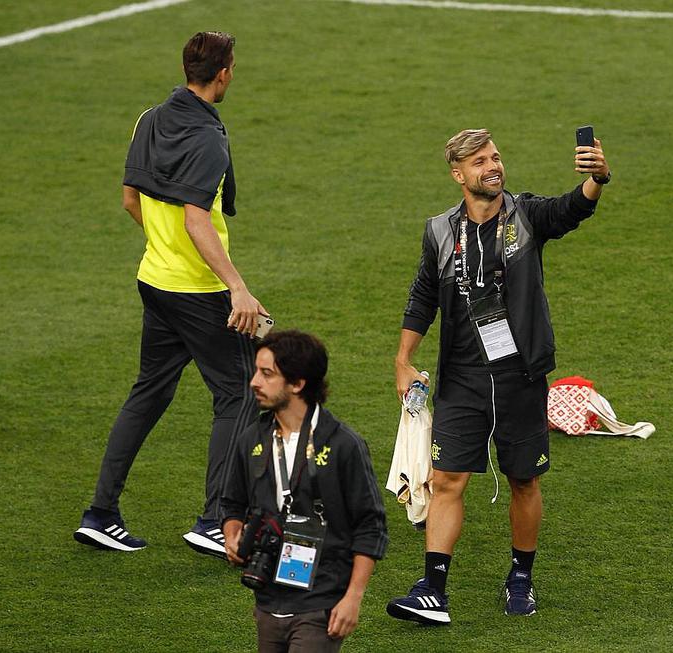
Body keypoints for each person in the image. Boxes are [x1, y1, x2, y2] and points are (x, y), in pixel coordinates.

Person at [386, 129, 612, 623]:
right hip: (463, 377)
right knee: (447, 480)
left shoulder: (526, 216)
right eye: (480, 161)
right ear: (458, 174)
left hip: (519, 375)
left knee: (523, 480)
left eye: (495, 157)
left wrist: (597, 178)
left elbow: (572, 209)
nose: (493, 166)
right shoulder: (441, 231)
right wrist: (404, 358)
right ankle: (433, 588)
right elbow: (423, 294)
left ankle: (521, 577)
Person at [74, 31, 268, 557]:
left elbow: (129, 199)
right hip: (199, 292)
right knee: (239, 392)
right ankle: (214, 521)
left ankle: (101, 512)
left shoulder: (150, 117)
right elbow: (196, 218)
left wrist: (162, 248)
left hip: (154, 281)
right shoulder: (209, 138)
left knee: (149, 392)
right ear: (223, 72)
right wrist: (238, 288)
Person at [221, 330, 388, 652]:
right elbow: (231, 503)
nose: (254, 381)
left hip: (320, 602)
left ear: (297, 384)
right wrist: (232, 534)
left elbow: (370, 525)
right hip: (266, 597)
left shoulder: (343, 445)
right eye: (257, 371)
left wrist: (353, 597)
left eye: (267, 374)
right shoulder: (252, 439)